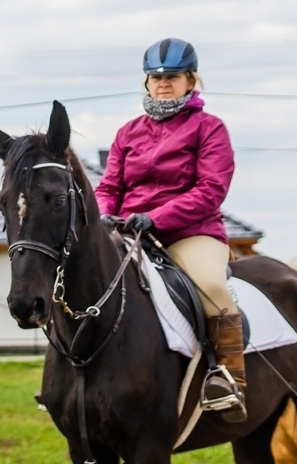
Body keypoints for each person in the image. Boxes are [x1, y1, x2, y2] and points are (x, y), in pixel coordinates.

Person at [95, 38, 246, 421]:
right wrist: (103, 216)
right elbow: (110, 186)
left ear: (191, 80)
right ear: (146, 82)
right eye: (156, 76)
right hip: (129, 233)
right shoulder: (128, 132)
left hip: (191, 233)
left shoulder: (209, 128)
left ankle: (227, 378)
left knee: (212, 286)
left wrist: (157, 218)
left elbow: (210, 190)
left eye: (173, 76)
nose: (164, 82)